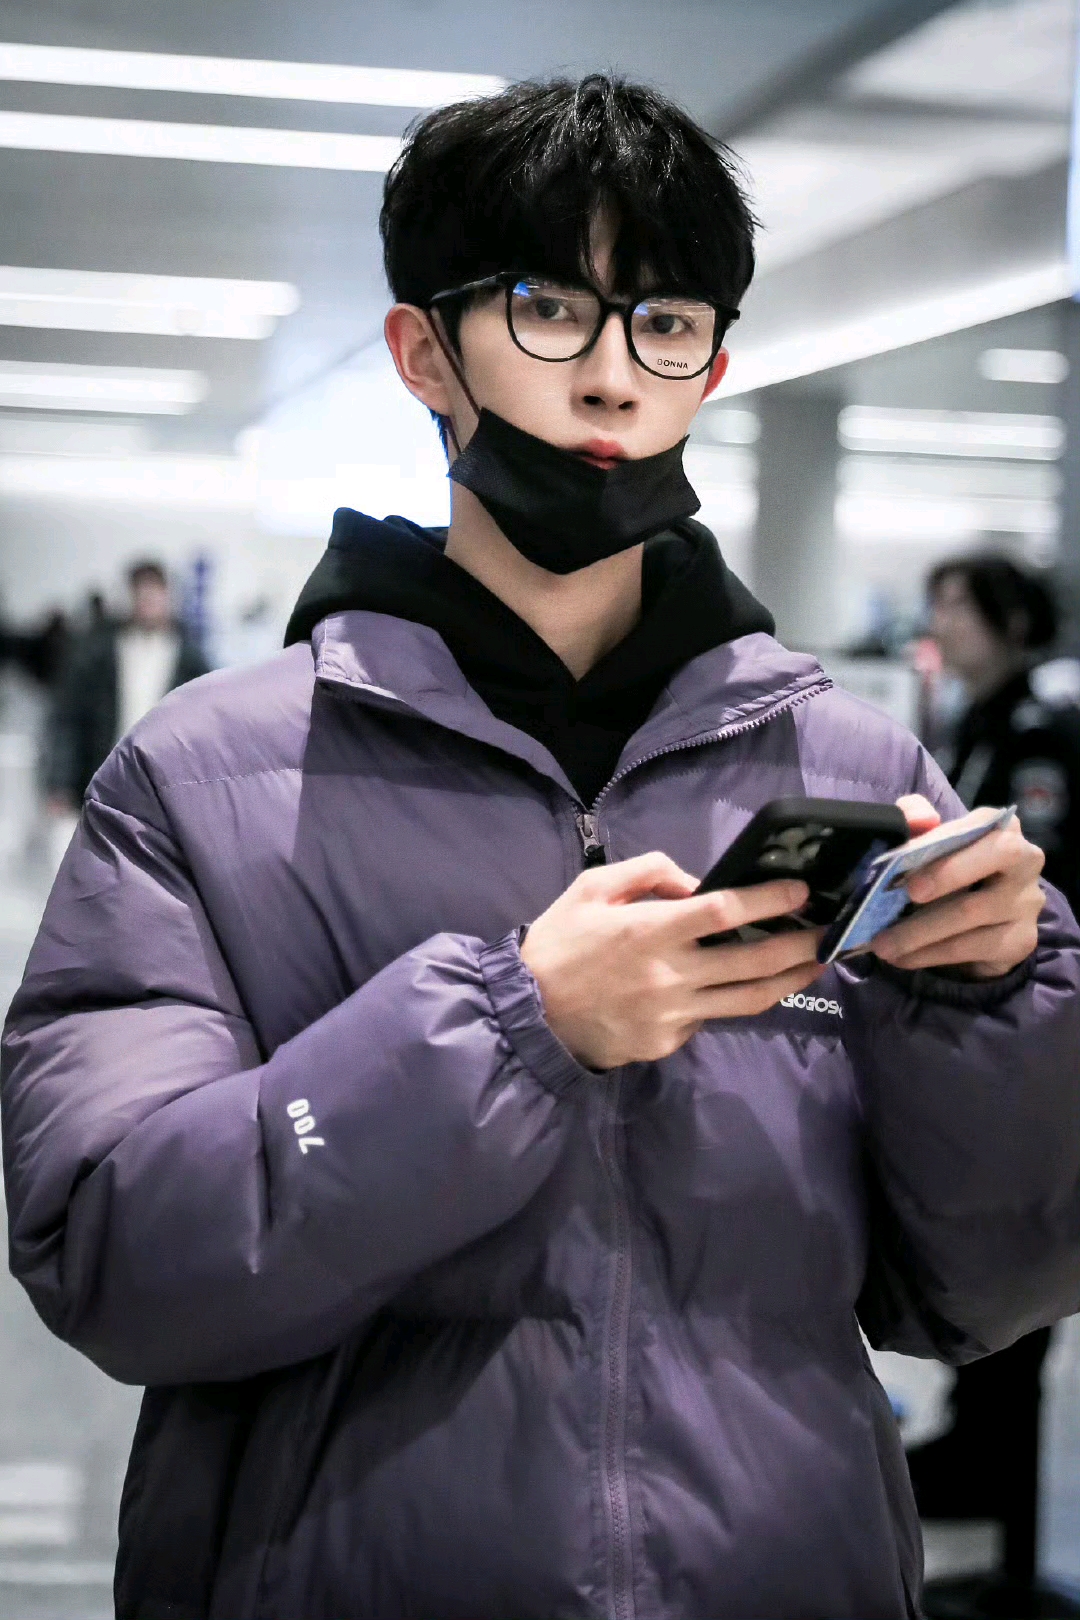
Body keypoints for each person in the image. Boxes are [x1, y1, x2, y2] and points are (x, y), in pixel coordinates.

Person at [1, 77, 1077, 1620]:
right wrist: (515, 1031)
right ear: (422, 353)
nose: (614, 379)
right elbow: (116, 1254)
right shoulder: (203, 782)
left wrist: (997, 1007)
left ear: (714, 367)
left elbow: (984, 1288)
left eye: (665, 323)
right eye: (551, 310)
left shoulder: (857, 773)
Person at [904, 553, 1080, 1615]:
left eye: (959, 606)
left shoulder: (1035, 732)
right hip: (978, 1021)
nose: (944, 624)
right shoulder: (969, 721)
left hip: (1035, 1023)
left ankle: (1017, 1555)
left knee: (1022, 1288)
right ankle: (974, 1456)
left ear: (1011, 620)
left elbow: (1043, 880)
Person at [42, 558, 209, 814]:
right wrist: (59, 782)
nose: (147, 602)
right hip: (103, 774)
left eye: (155, 594)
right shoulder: (97, 652)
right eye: (141, 594)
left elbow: (203, 727)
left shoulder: (189, 658)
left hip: (164, 783)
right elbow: (69, 719)